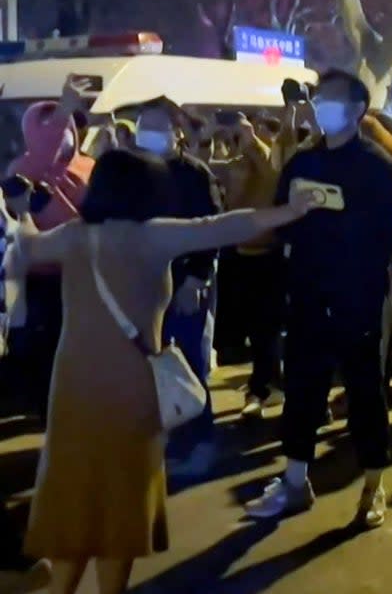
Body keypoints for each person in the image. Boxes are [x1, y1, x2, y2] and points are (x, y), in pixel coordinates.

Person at [10, 148, 316, 594]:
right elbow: (222, 226)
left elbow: (25, 245)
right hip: (131, 385)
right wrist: (289, 210)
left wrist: (21, 213)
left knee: (75, 493)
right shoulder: (155, 237)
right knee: (120, 499)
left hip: (72, 386)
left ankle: (61, 588)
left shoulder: (74, 236)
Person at [245, 71, 392, 528]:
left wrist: (335, 216)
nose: (320, 106)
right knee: (303, 391)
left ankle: (373, 484)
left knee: (364, 394)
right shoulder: (303, 161)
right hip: (308, 291)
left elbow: (380, 237)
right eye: (318, 98)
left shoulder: (375, 164)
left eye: (330, 100)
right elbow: (281, 218)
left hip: (356, 298)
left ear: (356, 111)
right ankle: (295, 482)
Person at [131, 98, 224, 477]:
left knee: (187, 364)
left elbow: (212, 228)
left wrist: (196, 279)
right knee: (146, 366)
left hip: (185, 282)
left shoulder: (195, 174)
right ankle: (160, 441)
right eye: (143, 123)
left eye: (157, 124)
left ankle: (199, 442)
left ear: (177, 131)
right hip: (141, 285)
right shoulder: (132, 173)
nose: (148, 131)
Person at [5, 76, 94, 422]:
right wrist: (65, 109)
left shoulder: (88, 167)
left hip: (82, 272)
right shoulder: (23, 169)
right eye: (44, 128)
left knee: (77, 346)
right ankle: (47, 409)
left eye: (60, 126)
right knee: (44, 347)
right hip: (40, 276)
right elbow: (43, 153)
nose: (56, 134)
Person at [209, 115, 285, 417]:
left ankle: (264, 388)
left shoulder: (269, 167)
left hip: (266, 255)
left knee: (265, 327)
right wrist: (205, 136)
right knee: (255, 328)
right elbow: (212, 169)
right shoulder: (238, 164)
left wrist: (251, 137)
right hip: (239, 252)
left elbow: (268, 167)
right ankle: (267, 384)